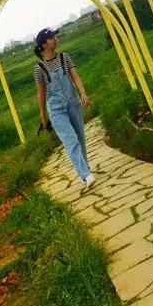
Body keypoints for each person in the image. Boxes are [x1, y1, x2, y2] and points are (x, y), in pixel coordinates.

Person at [33, 28, 94, 188]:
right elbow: (41, 94)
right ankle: (86, 174)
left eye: (55, 36)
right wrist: (43, 116)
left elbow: (75, 76)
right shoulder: (39, 68)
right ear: (44, 44)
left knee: (80, 138)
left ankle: (85, 169)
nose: (55, 39)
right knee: (70, 140)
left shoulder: (64, 57)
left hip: (73, 103)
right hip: (56, 109)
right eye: (51, 37)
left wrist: (83, 93)